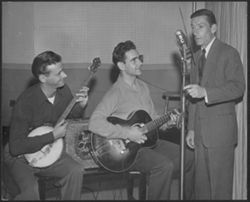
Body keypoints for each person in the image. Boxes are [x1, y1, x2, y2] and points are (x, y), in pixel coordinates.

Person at [88, 40, 194, 200]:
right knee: (163, 166)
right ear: (122, 66)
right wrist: (128, 133)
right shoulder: (116, 92)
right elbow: (94, 122)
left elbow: (153, 119)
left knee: (189, 157)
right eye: (134, 60)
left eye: (139, 58)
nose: (140, 63)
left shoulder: (143, 87)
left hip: (150, 142)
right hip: (130, 151)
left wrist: (168, 122)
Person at [3, 50, 89, 200]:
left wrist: (81, 105)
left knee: (75, 170)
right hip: (20, 158)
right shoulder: (26, 102)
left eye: (62, 71)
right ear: (43, 78)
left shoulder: (63, 90)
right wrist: (53, 135)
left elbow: (69, 116)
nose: (65, 76)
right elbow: (16, 147)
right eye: (59, 73)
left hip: (48, 151)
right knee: (30, 193)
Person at [184, 9, 245, 199]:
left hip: (220, 134)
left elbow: (238, 88)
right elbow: (193, 98)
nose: (195, 32)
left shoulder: (228, 53)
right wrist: (191, 129)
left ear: (214, 28)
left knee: (219, 191)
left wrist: (206, 92)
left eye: (200, 27)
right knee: (202, 190)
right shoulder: (196, 57)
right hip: (200, 133)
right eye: (193, 27)